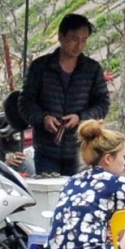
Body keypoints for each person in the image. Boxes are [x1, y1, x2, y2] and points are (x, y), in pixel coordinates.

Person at [37, 120, 125, 249]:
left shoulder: (73, 180)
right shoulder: (118, 183)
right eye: (123, 156)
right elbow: (121, 230)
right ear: (108, 158)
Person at [20, 13, 109, 177]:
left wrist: (81, 117)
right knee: (49, 193)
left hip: (80, 148)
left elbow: (102, 104)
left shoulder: (92, 69)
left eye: (84, 40)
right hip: (46, 148)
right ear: (61, 36)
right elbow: (25, 102)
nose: (79, 45)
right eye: (75, 39)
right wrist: (43, 118)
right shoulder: (40, 67)